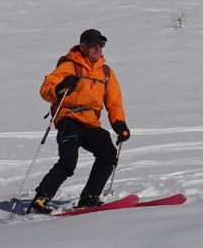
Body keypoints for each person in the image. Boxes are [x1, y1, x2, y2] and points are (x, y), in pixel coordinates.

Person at [26, 29, 130, 214]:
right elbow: (45, 89)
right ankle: (39, 201)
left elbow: (114, 102)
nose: (97, 48)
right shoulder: (70, 66)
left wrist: (119, 124)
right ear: (82, 46)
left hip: (90, 123)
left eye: (101, 44)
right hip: (69, 119)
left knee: (108, 154)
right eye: (92, 44)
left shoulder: (106, 72)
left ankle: (89, 198)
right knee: (68, 162)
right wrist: (60, 87)